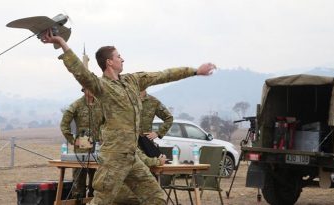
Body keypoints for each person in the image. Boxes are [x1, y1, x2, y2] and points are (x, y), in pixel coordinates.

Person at [40, 29, 216, 205]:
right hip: (114, 159)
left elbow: (163, 75)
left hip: (132, 157)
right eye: (119, 56)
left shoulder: (132, 80)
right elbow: (80, 72)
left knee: (156, 198)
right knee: (101, 201)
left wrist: (194, 71)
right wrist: (62, 43)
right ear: (109, 62)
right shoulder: (102, 87)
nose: (122, 59)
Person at [60, 87, 104, 199]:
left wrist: (105, 136)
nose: (92, 90)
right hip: (82, 148)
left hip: (99, 146)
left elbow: (108, 121)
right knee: (79, 181)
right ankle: (78, 200)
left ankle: (92, 200)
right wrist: (73, 140)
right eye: (89, 88)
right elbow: (64, 124)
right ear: (84, 90)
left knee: (96, 181)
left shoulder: (101, 104)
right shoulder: (76, 105)